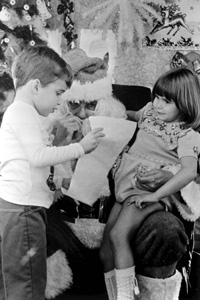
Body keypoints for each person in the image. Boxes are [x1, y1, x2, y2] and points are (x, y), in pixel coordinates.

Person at [0, 45, 105, 300]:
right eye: (58, 93)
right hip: (22, 210)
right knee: (26, 283)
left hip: (28, 208)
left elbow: (36, 156)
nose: (60, 101)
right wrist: (79, 147)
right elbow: (38, 156)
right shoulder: (21, 112)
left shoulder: (28, 114)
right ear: (36, 86)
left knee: (30, 279)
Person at [100, 67, 200, 300]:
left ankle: (126, 298)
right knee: (106, 253)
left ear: (185, 104)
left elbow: (188, 172)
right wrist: (105, 114)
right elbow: (129, 115)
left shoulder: (187, 136)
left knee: (118, 236)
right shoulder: (149, 115)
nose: (157, 104)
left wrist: (155, 196)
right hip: (125, 191)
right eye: (156, 96)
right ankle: (116, 296)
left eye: (167, 101)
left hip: (147, 192)